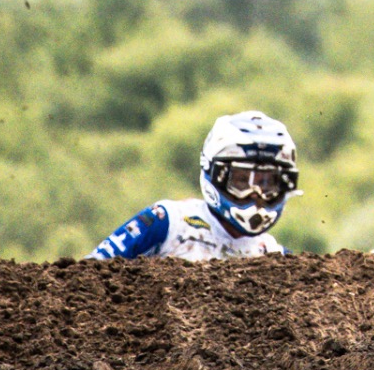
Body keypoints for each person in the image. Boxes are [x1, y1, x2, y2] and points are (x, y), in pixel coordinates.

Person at [89, 111, 298, 260]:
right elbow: (86, 276)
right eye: (242, 181)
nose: (256, 195)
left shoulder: (276, 257)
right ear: (216, 175)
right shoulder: (167, 223)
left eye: (267, 183)